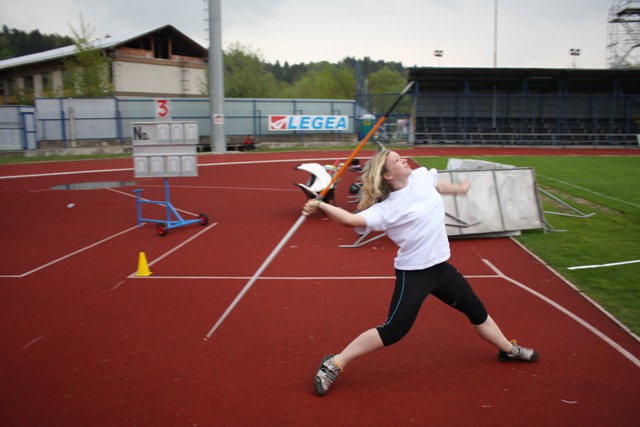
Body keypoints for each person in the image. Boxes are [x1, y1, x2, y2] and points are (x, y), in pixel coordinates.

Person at [302, 150, 539, 397]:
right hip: (414, 273)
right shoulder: (387, 209)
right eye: (396, 160)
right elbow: (351, 220)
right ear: (387, 175)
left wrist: (459, 188)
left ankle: (507, 350)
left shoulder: (421, 177)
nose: (404, 159)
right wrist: (320, 204)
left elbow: (439, 183)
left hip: (441, 268)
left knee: (477, 311)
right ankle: (335, 362)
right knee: (394, 330)